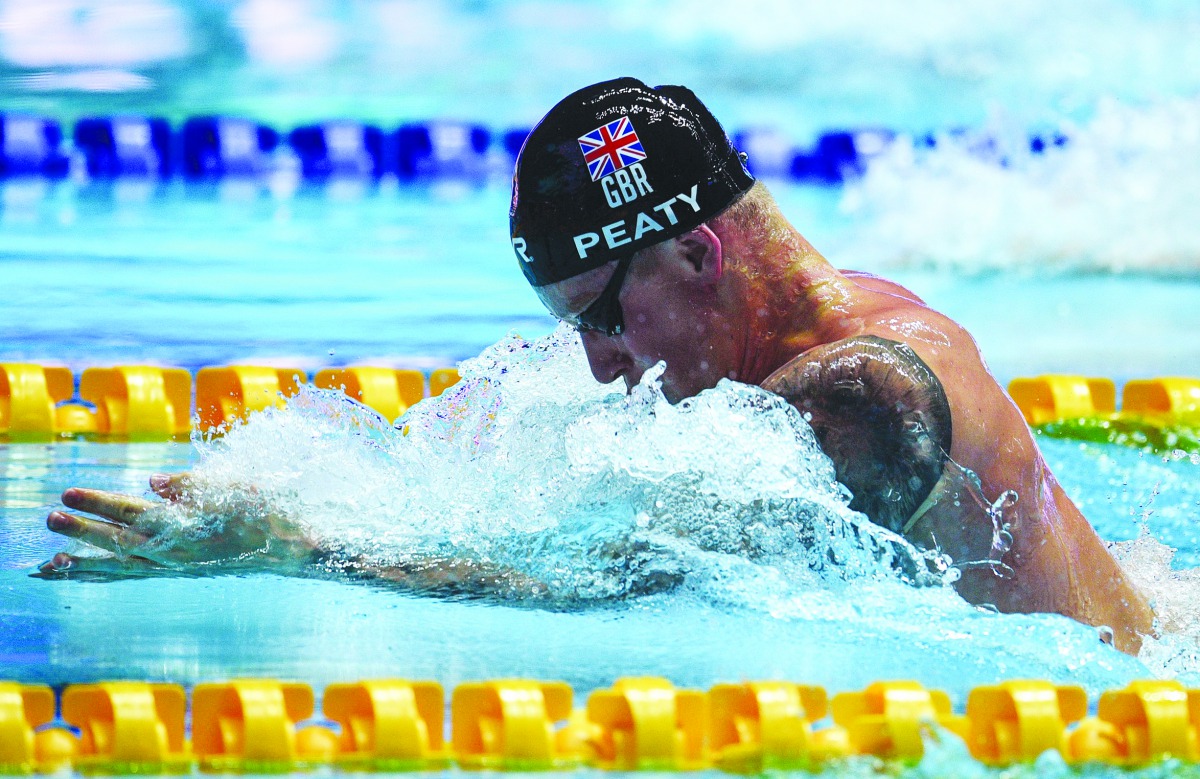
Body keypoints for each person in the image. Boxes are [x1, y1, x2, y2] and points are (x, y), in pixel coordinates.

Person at [42, 78, 1154, 652]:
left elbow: (615, 586)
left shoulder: (864, 394)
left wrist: (299, 548)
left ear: (698, 248)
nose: (602, 366)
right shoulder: (821, 333)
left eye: (606, 317)